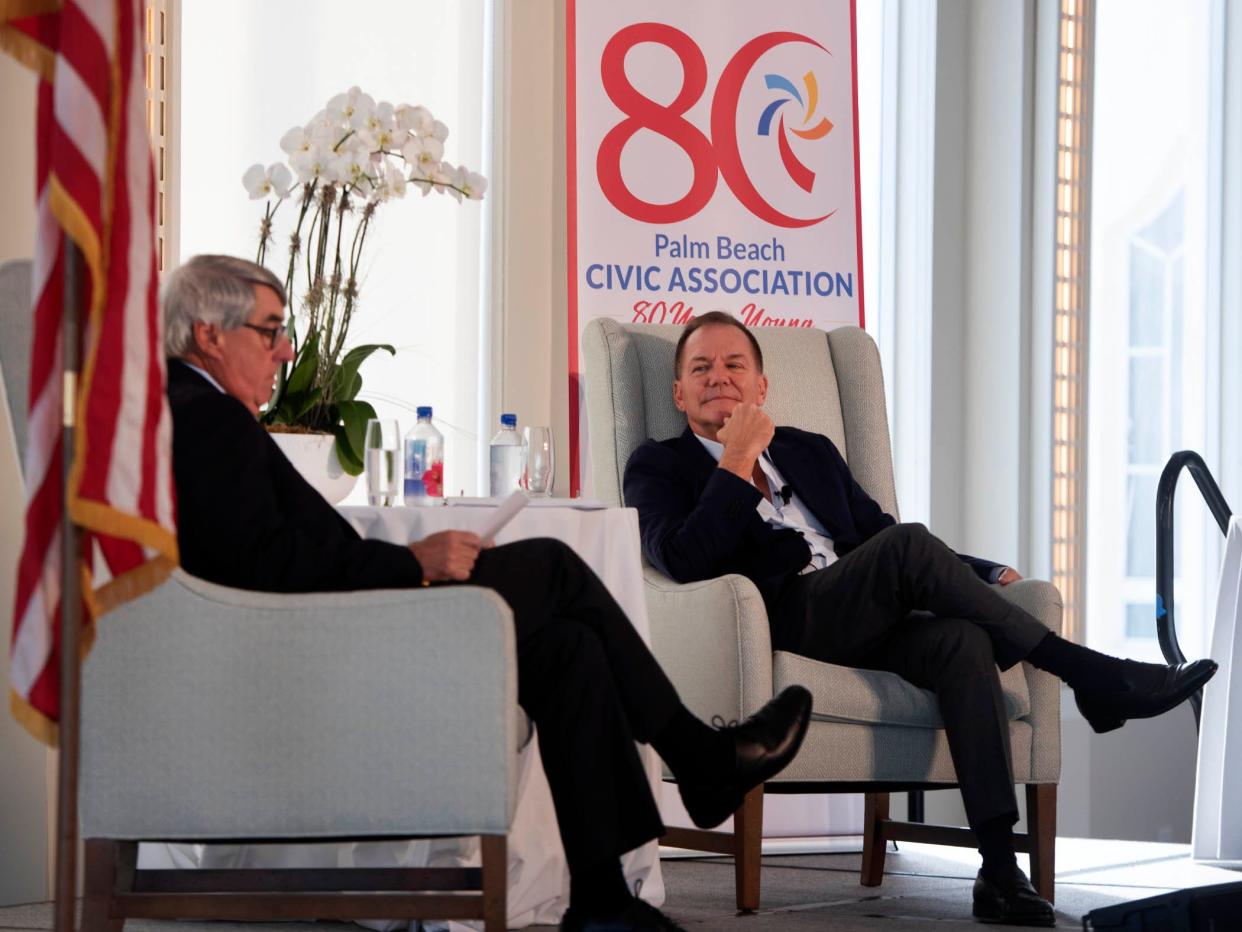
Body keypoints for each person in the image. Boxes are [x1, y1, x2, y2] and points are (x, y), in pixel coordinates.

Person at [161, 257, 814, 932]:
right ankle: (697, 757)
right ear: (211, 334)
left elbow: (270, 552)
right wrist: (413, 562)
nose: (286, 349)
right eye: (270, 331)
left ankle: (601, 898)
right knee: (556, 567)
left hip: (336, 620)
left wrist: (417, 561)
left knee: (568, 649)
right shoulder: (208, 417)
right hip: (324, 640)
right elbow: (267, 562)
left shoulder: (200, 411)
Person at [622, 311, 1218, 928]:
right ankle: (1089, 672)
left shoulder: (809, 451)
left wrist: (981, 572)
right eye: (700, 368)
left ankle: (998, 869)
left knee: (960, 641)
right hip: (782, 619)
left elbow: (878, 538)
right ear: (678, 393)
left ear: (762, 386)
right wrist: (737, 456)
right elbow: (683, 561)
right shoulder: (659, 465)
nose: (718, 378)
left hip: (864, 611)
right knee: (908, 548)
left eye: (733, 365)